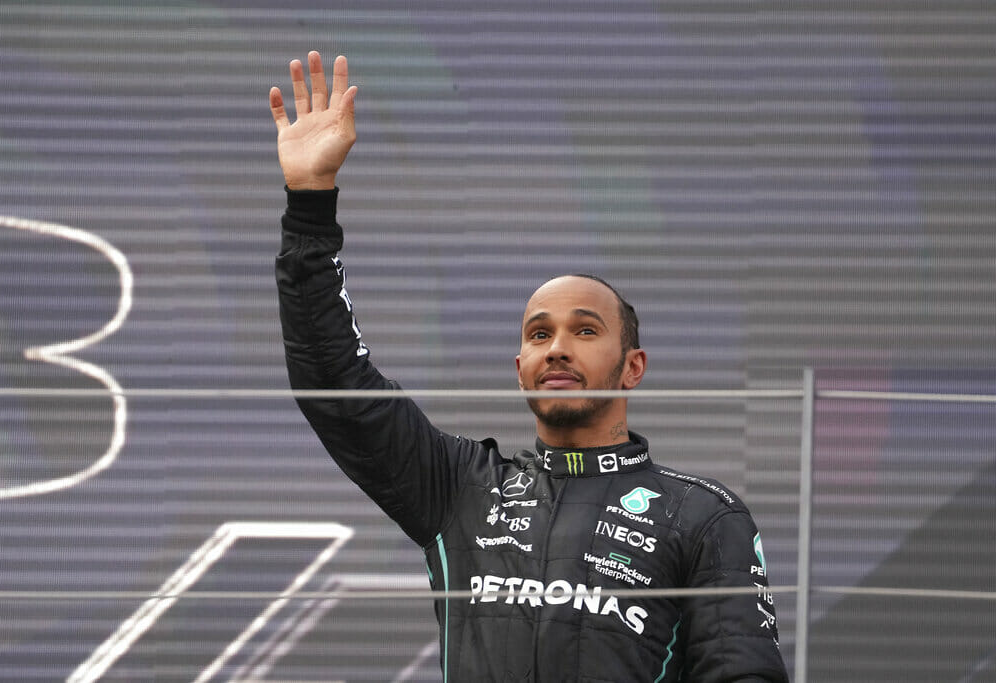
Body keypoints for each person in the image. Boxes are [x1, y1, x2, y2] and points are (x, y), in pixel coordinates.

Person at [270, 51, 788, 682]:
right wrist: (309, 205)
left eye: (585, 330)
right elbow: (333, 383)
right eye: (539, 335)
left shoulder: (704, 516)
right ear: (521, 369)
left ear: (633, 368)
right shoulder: (460, 487)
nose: (558, 348)